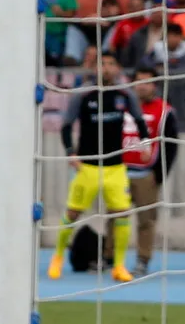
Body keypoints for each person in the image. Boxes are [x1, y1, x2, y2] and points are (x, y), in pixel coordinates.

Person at [49, 51, 148, 283]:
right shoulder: (83, 94)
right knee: (73, 213)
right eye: (102, 64)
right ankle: (58, 257)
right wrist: (70, 152)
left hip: (115, 167)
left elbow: (140, 121)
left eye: (112, 64)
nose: (107, 68)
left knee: (122, 213)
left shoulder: (125, 94)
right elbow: (66, 125)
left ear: (118, 68)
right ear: (94, 68)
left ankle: (119, 266)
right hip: (88, 167)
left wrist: (145, 144)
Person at [117, 70, 179, 278]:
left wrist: (159, 175)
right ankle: (111, 260)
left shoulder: (165, 111)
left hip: (146, 174)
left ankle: (142, 260)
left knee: (146, 220)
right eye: (139, 82)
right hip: (120, 172)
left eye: (147, 82)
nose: (142, 86)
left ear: (155, 85)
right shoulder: (121, 106)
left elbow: (171, 147)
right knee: (115, 217)